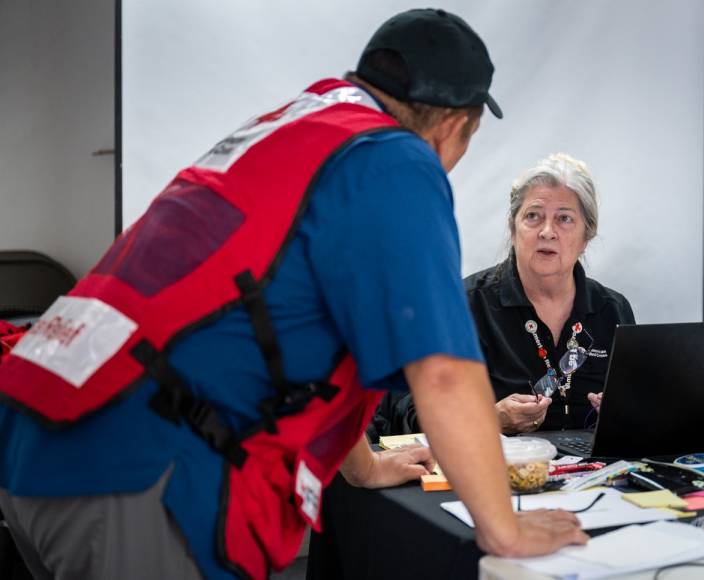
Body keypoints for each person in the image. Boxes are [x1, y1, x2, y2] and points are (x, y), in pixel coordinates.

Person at [0, 9, 586, 580]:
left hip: (41, 437)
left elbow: (308, 325)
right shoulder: (396, 160)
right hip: (137, 469)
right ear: (457, 124)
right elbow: (443, 374)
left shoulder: (301, 129)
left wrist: (364, 468)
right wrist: (503, 531)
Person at [369, 153, 635, 439]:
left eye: (564, 219)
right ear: (513, 228)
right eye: (533, 216)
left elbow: (645, 405)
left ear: (586, 237)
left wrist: (625, 411)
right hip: (496, 471)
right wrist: (489, 420)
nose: (547, 232)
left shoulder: (612, 309)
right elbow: (408, 410)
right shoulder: (464, 304)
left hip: (594, 475)